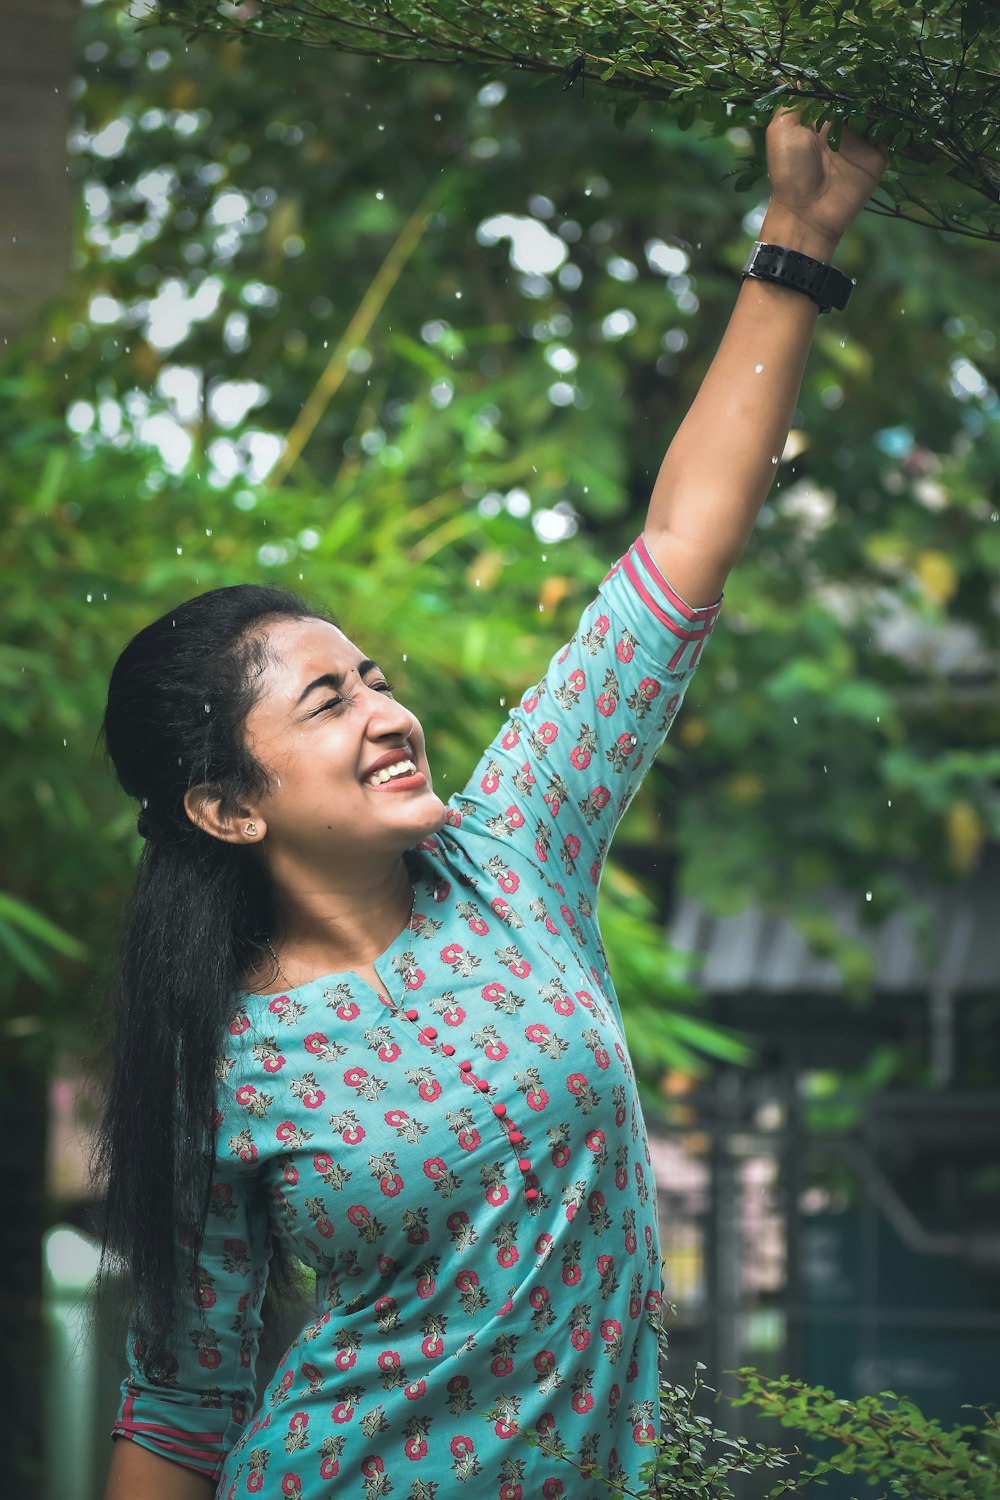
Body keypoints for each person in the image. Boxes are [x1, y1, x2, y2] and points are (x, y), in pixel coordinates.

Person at [98, 104, 888, 1500]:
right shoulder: (211, 1053)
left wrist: (799, 242)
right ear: (227, 808)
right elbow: (181, 1405)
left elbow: (677, 548)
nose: (390, 713)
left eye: (375, 677)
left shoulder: (512, 854)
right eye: (326, 703)